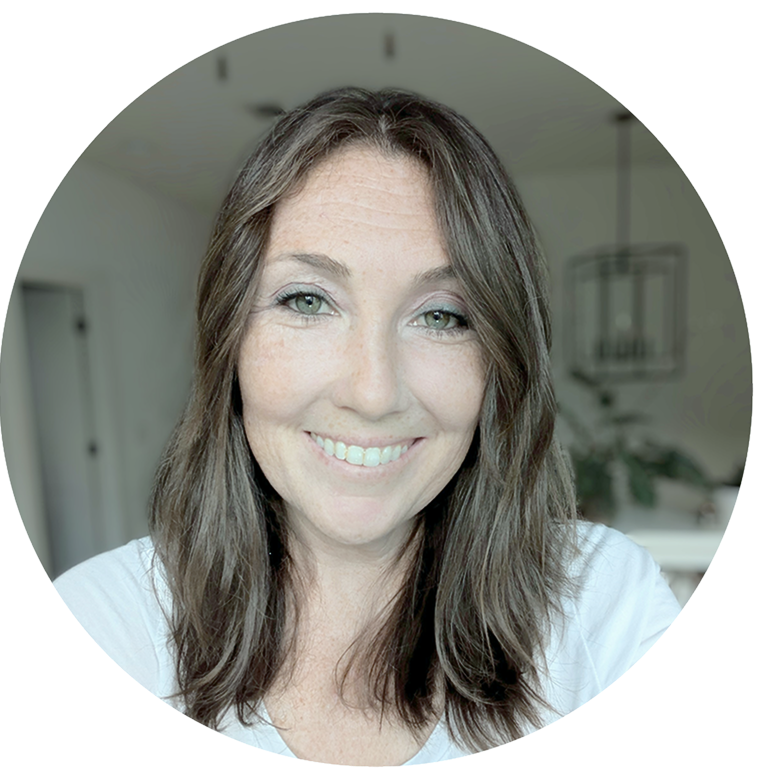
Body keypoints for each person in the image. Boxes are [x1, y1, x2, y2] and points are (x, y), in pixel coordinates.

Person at [53, 87, 681, 765]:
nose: (373, 392)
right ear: (228, 338)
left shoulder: (603, 609)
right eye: (307, 300)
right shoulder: (103, 626)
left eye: (443, 315)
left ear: (501, 361)